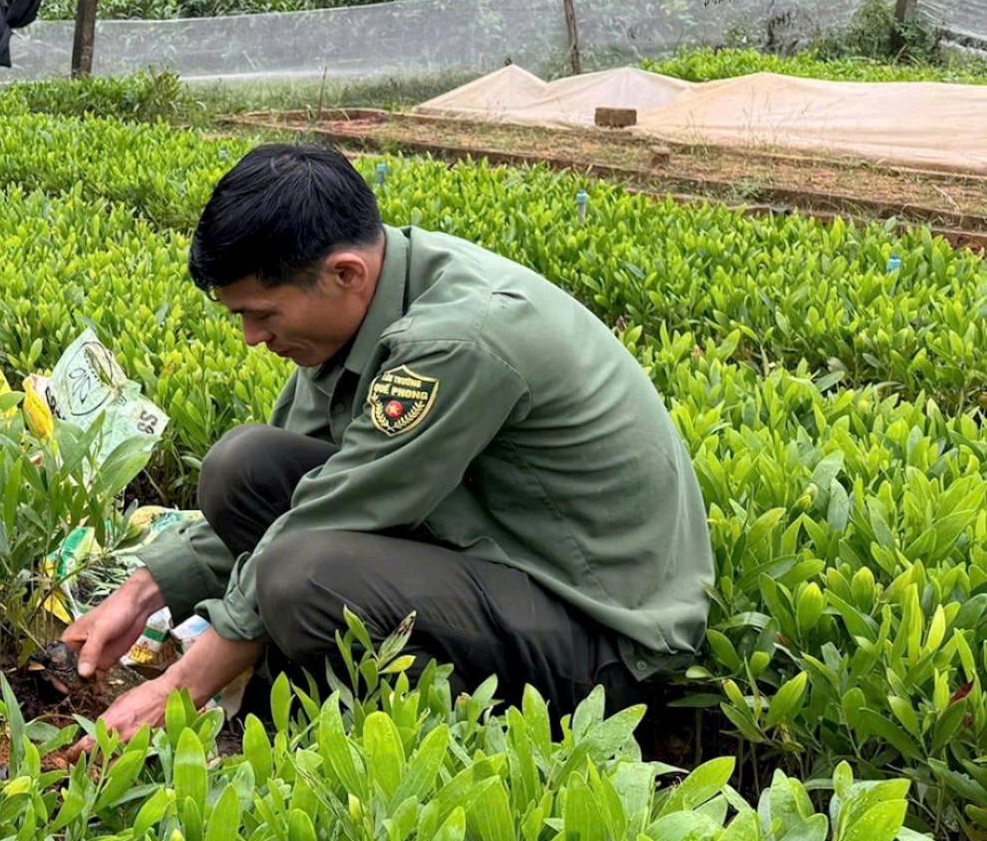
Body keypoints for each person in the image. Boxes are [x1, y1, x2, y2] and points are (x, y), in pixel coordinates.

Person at [65, 143, 711, 734]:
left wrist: (179, 688)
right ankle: (291, 701)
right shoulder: (364, 305)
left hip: (602, 637)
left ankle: (413, 745)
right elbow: (307, 493)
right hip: (499, 558)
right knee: (243, 466)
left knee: (302, 576)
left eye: (262, 314)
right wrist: (145, 589)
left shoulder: (455, 340)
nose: (251, 338)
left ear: (345, 272)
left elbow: (324, 519)